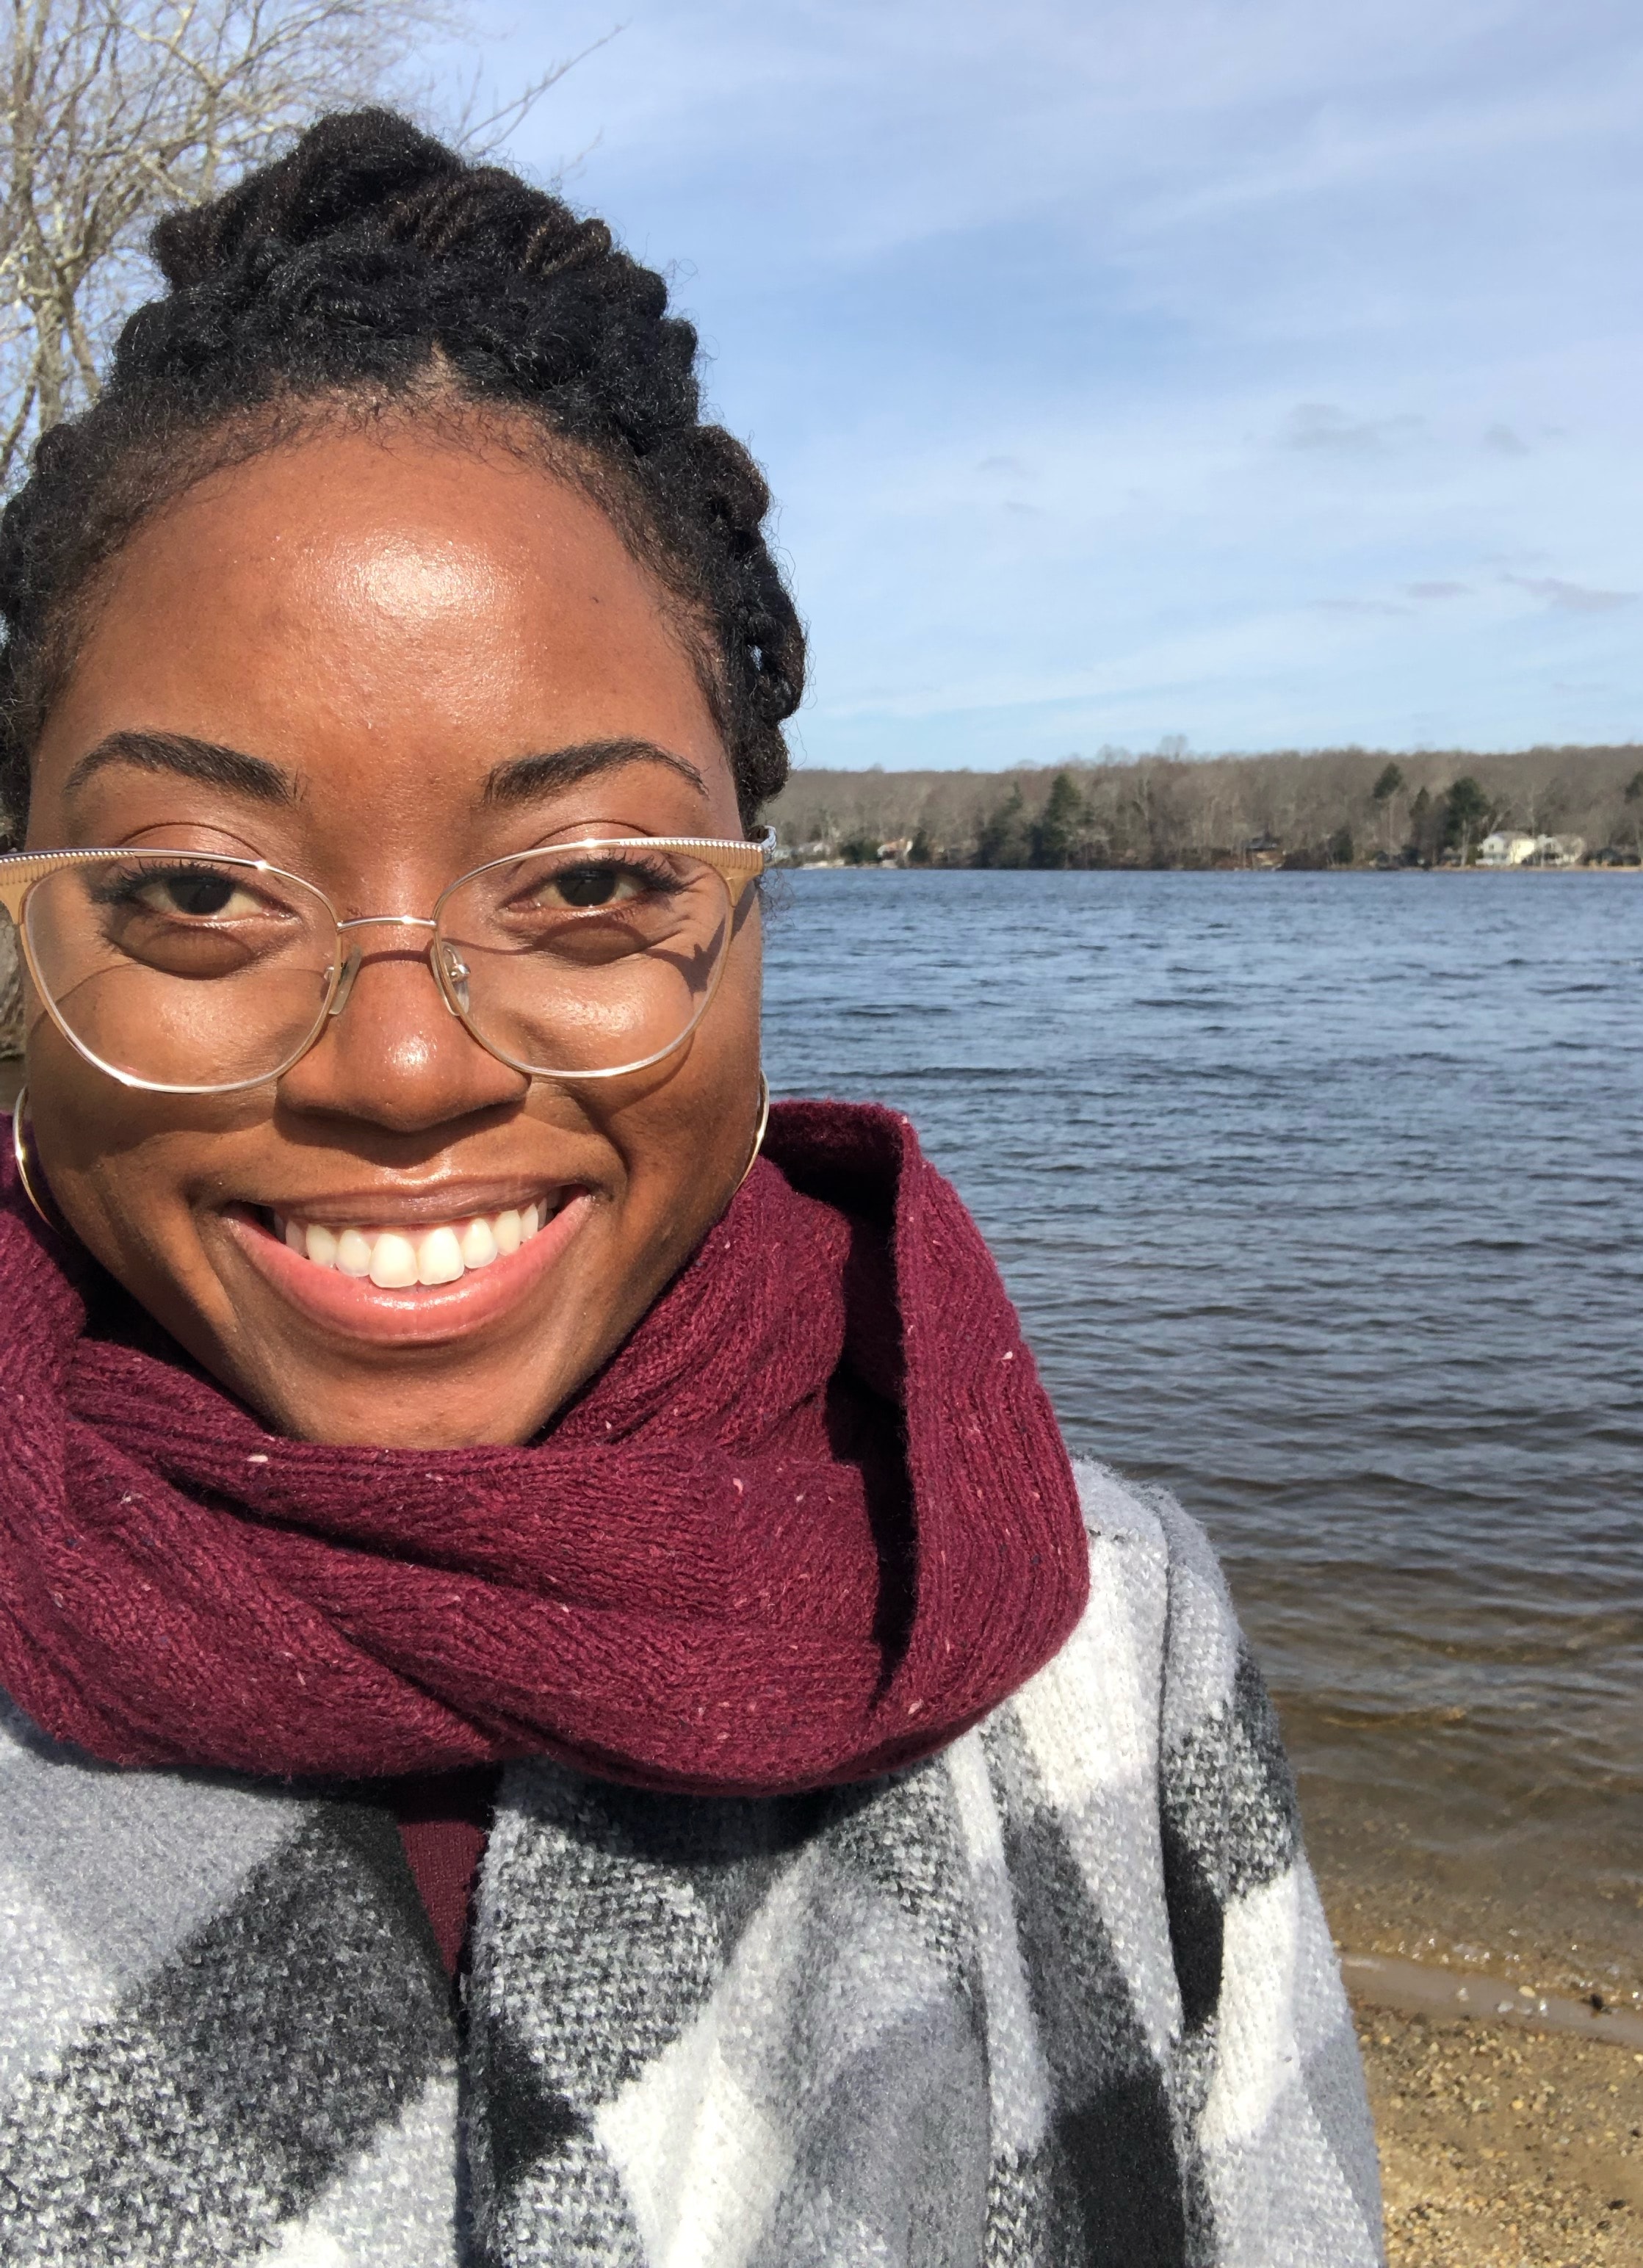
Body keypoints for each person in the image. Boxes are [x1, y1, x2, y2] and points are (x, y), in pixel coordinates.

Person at [0, 110, 1383, 2267]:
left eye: (594, 883)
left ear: (748, 919)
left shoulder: (1097, 1641)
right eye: (194, 888)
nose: (402, 1065)